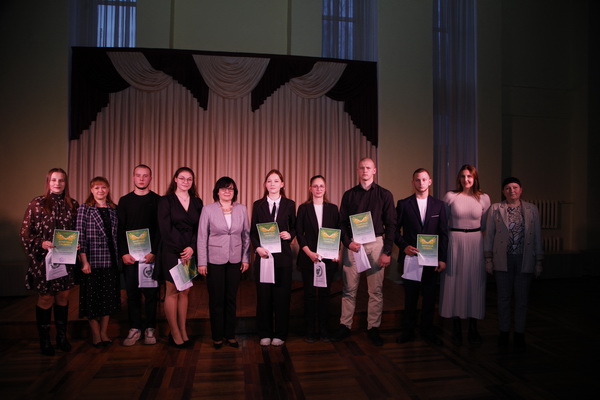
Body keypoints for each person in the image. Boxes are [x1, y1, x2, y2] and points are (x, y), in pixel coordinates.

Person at [333, 157, 396, 346]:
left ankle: (373, 328)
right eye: (362, 168)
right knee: (348, 289)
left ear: (374, 170)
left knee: (375, 290)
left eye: (368, 167)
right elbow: (341, 223)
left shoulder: (385, 195)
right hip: (354, 245)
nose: (365, 170)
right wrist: (348, 242)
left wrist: (387, 251)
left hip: (376, 244)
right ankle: (345, 325)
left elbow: (391, 224)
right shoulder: (349, 195)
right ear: (358, 171)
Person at [20, 168, 79, 355]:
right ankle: (45, 340)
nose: (57, 183)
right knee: (46, 298)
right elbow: (25, 233)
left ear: (65, 183)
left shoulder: (73, 205)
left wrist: (77, 244)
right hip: (43, 260)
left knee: (63, 296)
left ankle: (61, 337)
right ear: (48, 182)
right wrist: (41, 243)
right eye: (54, 180)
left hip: (65, 259)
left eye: (61, 180)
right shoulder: (36, 203)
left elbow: (78, 231)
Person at [484, 177, 543, 348]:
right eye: (508, 188)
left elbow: (537, 236)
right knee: (503, 297)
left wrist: (539, 261)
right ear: (503, 191)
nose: (512, 191)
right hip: (503, 259)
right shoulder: (496, 209)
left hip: (524, 258)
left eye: (515, 187)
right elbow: (489, 235)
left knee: (522, 298)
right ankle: (504, 332)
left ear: (521, 190)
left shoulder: (532, 209)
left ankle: (519, 333)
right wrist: (488, 259)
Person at [395, 168, 448, 345]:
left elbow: (443, 234)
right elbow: (394, 231)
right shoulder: (404, 204)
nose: (421, 183)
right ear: (413, 183)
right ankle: (408, 332)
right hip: (411, 259)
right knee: (410, 298)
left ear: (429, 182)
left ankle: (427, 331)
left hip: (432, 260)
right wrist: (404, 247)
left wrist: (442, 258)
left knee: (429, 297)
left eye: (424, 179)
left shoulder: (439, 205)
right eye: (417, 180)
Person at [197, 177, 251, 349]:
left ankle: (230, 335)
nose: (227, 191)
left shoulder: (242, 209)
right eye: (224, 188)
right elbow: (202, 237)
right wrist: (202, 262)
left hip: (235, 260)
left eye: (231, 189)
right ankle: (217, 336)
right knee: (216, 300)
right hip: (214, 260)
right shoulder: (208, 209)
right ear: (217, 191)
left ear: (235, 192)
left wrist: (245, 258)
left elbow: (246, 236)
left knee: (231, 299)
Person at [440, 164, 491, 345]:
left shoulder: (484, 198)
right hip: (455, 242)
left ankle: (473, 328)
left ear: (475, 178)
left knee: (474, 283)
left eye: (469, 176)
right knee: (455, 282)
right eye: (462, 176)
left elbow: (485, 225)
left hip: (476, 242)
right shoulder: (450, 197)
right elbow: (443, 222)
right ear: (458, 179)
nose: (466, 179)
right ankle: (456, 328)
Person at [156, 167, 203, 348]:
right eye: (182, 178)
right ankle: (174, 333)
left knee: (185, 291)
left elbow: (199, 228)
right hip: (171, 250)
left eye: (189, 179)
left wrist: (192, 248)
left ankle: (183, 330)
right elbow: (165, 229)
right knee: (172, 291)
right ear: (175, 179)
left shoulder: (197, 202)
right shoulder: (165, 201)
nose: (185, 182)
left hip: (189, 251)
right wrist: (181, 250)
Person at [250, 169, 296, 347]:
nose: (272, 184)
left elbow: (295, 227)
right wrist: (257, 248)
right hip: (264, 257)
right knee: (264, 297)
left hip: (283, 258)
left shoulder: (290, 204)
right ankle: (264, 333)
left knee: (282, 297)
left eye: (276, 181)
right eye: (269, 181)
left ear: (282, 184)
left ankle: (281, 333)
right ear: (265, 184)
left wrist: (290, 235)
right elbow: (253, 232)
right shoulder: (258, 205)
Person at [117, 164, 161, 346]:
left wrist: (154, 252)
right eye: (138, 175)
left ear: (150, 178)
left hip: (150, 257)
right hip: (131, 258)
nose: (141, 179)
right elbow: (120, 230)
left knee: (151, 294)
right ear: (133, 177)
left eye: (145, 175)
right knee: (132, 294)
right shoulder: (124, 201)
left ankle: (150, 328)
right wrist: (124, 253)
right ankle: (134, 328)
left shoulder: (158, 200)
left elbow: (160, 230)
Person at [77, 176, 121, 347]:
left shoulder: (114, 209)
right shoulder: (85, 209)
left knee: (107, 299)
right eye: (96, 188)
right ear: (91, 190)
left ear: (108, 189)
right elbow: (80, 236)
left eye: (103, 187)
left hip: (111, 261)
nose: (100, 191)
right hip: (92, 261)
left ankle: (104, 332)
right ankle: (96, 334)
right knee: (92, 299)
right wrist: (84, 261)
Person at [296, 175, 340, 343]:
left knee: (324, 295)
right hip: (308, 258)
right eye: (315, 186)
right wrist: (309, 253)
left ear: (325, 188)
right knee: (309, 295)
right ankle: (309, 330)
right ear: (310, 189)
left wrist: (336, 252)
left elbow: (338, 232)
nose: (318, 189)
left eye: (321, 186)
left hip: (327, 260)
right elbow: (299, 233)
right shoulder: (303, 208)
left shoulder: (333, 209)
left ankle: (323, 329)